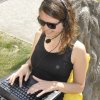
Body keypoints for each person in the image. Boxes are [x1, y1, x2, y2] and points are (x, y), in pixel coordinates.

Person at [8, 0, 87, 99]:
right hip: (27, 89)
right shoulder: (39, 35)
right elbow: (31, 61)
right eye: (41, 22)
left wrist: (54, 85)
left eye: (51, 25)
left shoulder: (77, 49)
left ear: (66, 23)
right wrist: (25, 66)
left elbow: (79, 87)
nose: (45, 28)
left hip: (50, 96)